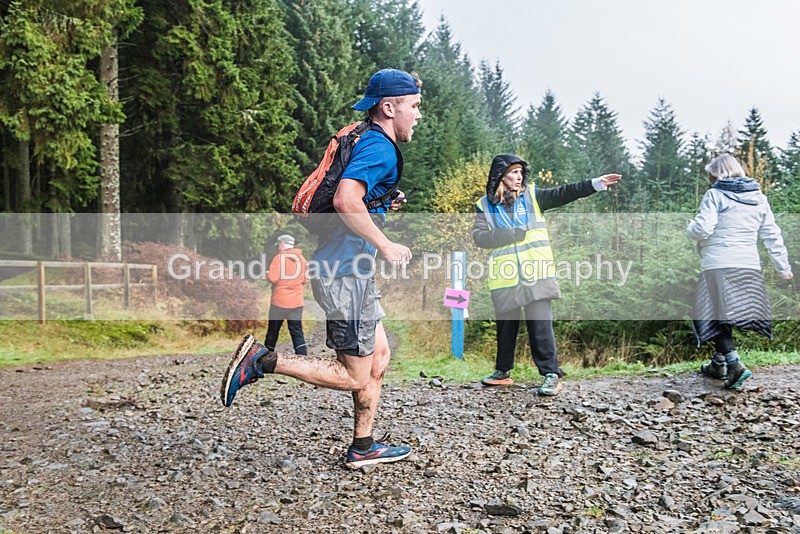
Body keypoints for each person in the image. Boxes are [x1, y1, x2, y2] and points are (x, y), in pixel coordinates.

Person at [221, 68, 421, 469]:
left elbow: (353, 198)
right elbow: (347, 200)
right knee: (354, 375)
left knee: (378, 358)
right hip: (346, 273)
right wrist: (385, 244)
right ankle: (261, 360)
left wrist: (381, 201)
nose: (418, 115)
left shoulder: (361, 135)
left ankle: (363, 447)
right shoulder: (380, 146)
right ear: (389, 107)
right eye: (414, 106)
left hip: (350, 269)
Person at [472, 155, 621, 395]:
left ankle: (551, 374)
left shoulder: (532, 196)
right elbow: (479, 237)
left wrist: (595, 183)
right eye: (513, 172)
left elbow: (564, 192)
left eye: (521, 172)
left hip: (536, 272)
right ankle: (502, 372)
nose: (519, 177)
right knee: (506, 327)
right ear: (500, 176)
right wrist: (508, 234)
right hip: (504, 276)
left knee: (540, 326)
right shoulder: (484, 205)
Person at [688, 154, 793, 389]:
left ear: (718, 174)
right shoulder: (759, 198)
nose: (709, 179)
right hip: (748, 263)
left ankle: (734, 365)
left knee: (709, 313)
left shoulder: (715, 194)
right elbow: (772, 234)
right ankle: (718, 363)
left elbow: (703, 228)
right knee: (725, 312)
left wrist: (690, 228)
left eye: (711, 175)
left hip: (719, 263)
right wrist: (782, 266)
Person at [264, 234, 308, 356]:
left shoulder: (279, 258)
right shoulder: (302, 259)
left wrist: (268, 274)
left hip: (279, 302)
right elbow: (305, 280)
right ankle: (303, 358)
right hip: (297, 303)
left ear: (282, 244)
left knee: (273, 330)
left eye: (278, 245)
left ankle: (266, 357)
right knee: (297, 331)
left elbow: (273, 278)